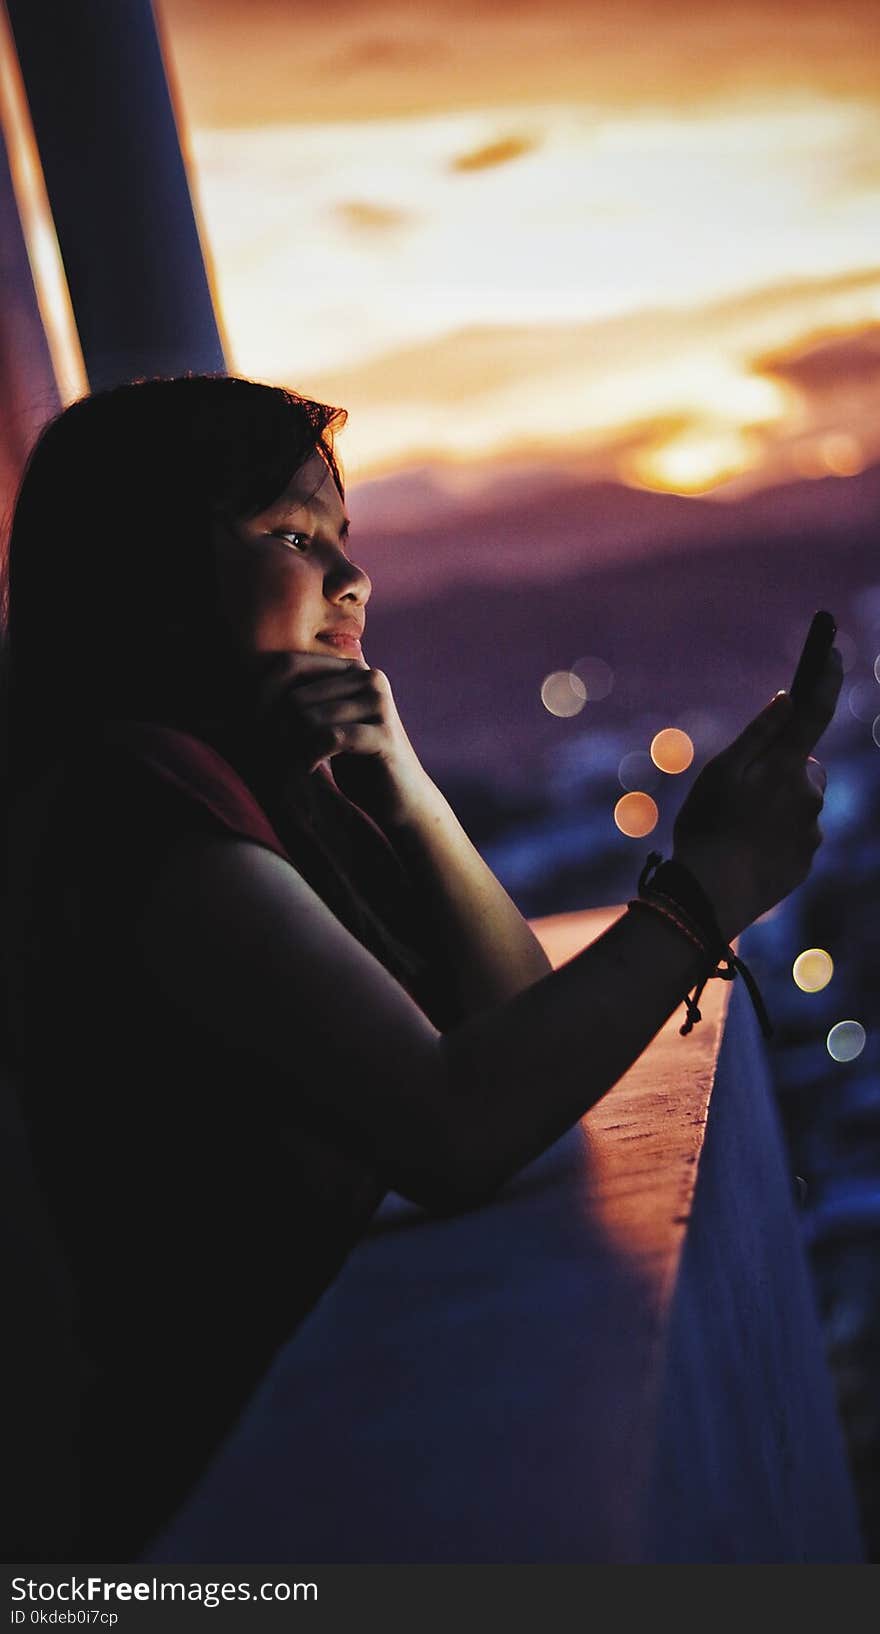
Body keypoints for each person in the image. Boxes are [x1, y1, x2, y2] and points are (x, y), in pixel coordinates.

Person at [0, 374, 841, 1561]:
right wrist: (705, 895)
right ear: (142, 573)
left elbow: (509, 1019)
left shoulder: (255, 790)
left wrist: (405, 790)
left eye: (346, 540)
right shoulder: (134, 814)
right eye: (293, 535)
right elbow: (454, 1124)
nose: (354, 582)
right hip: (227, 1511)